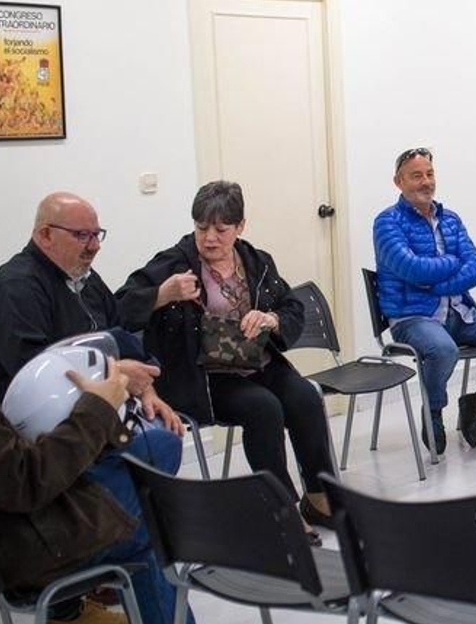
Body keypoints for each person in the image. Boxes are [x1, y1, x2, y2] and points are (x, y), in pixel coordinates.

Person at [0, 246, 244, 624]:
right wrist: (100, 404)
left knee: (147, 457)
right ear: (48, 234)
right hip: (11, 546)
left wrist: (115, 386)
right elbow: (24, 480)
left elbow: (108, 336)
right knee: (148, 519)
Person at [0, 190, 186, 624]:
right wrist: (119, 375)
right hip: (38, 444)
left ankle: (101, 555)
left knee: (163, 437)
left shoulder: (81, 279)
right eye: (82, 235)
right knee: (152, 480)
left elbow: (118, 334)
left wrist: (148, 387)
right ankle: (80, 581)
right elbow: (41, 375)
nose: (94, 245)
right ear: (45, 235)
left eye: (97, 234)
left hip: (82, 427)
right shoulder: (14, 289)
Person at [117, 181, 337, 540]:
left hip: (256, 362)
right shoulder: (174, 263)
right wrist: (162, 294)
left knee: (305, 397)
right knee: (264, 409)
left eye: (221, 229)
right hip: (204, 377)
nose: (210, 238)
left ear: (240, 227)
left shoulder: (256, 261)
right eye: (202, 227)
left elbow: (291, 307)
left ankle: (319, 497)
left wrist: (271, 319)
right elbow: (120, 306)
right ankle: (280, 509)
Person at [374, 147, 476, 450]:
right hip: (413, 317)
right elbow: (412, 268)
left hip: (460, 312)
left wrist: (435, 284)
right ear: (399, 181)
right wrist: (452, 262)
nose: (425, 182)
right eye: (416, 176)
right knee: (443, 350)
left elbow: (475, 269)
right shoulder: (387, 222)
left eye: (430, 174)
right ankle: (433, 410)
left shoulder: (450, 218)